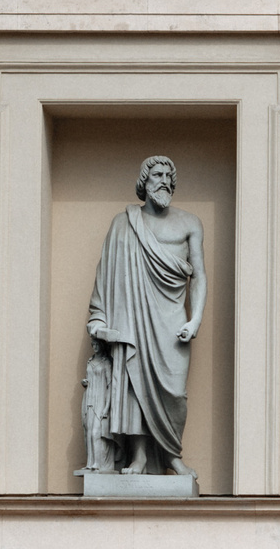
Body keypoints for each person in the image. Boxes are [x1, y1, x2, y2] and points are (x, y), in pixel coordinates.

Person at [82, 154, 204, 478]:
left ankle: (171, 455)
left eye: (168, 175)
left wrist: (196, 320)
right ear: (144, 182)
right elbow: (105, 275)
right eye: (157, 175)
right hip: (133, 319)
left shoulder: (190, 223)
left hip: (173, 322)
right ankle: (137, 457)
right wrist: (100, 319)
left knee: (174, 391)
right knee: (134, 385)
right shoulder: (123, 224)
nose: (164, 180)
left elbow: (200, 277)